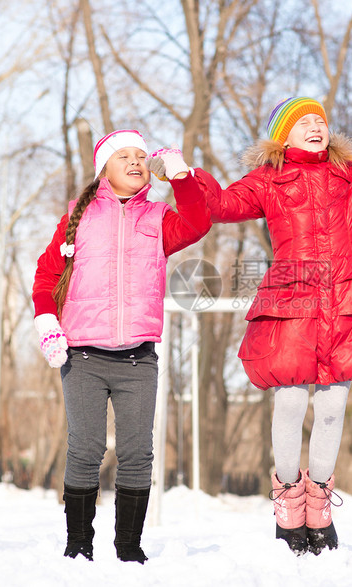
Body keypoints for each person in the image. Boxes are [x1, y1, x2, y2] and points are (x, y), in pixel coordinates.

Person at [165, 94, 352, 555]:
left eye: (320, 119)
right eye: (304, 123)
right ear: (284, 135)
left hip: (346, 299)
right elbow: (219, 205)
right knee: (291, 405)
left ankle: (319, 504)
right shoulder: (269, 181)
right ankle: (287, 503)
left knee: (334, 408)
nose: (316, 126)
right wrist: (186, 173)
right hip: (294, 300)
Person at [31, 129, 210, 563]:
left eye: (141, 156)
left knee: (136, 451)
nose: (135, 161)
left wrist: (183, 177)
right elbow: (45, 275)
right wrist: (47, 323)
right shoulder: (79, 217)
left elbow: (199, 222)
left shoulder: (158, 217)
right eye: (123, 156)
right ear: (103, 170)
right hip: (83, 356)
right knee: (86, 448)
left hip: (137, 360)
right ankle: (78, 545)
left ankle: (129, 547)